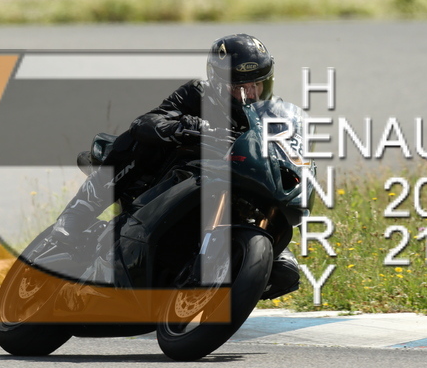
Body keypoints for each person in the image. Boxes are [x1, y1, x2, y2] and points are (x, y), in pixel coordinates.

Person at [50, 33, 300, 300]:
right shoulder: (198, 94)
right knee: (139, 140)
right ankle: (78, 212)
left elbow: (291, 153)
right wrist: (187, 126)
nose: (250, 93)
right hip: (166, 181)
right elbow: (148, 122)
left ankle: (227, 277)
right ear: (218, 82)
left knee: (285, 272)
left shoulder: (273, 117)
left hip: (232, 193)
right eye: (239, 87)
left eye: (257, 84)